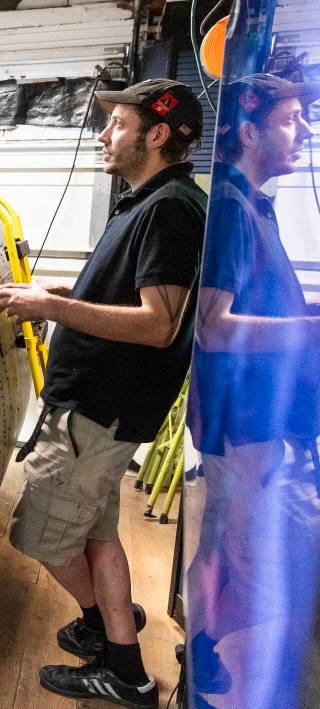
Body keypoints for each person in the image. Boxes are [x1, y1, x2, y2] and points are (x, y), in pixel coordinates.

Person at [0, 78, 207, 707]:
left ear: (158, 134)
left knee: (39, 537)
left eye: (118, 123)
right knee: (98, 534)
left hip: (98, 414)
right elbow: (130, 299)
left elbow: (158, 324)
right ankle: (114, 639)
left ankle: (122, 665)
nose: (104, 134)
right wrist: (59, 298)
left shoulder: (168, 209)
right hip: (97, 411)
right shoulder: (151, 201)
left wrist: (41, 305)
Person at [185, 73, 320, 709]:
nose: (305, 130)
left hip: (254, 423)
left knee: (227, 547)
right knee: (246, 558)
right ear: (247, 131)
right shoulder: (232, 209)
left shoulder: (252, 204)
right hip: (245, 426)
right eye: (292, 118)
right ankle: (207, 665)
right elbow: (214, 327)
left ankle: (202, 649)